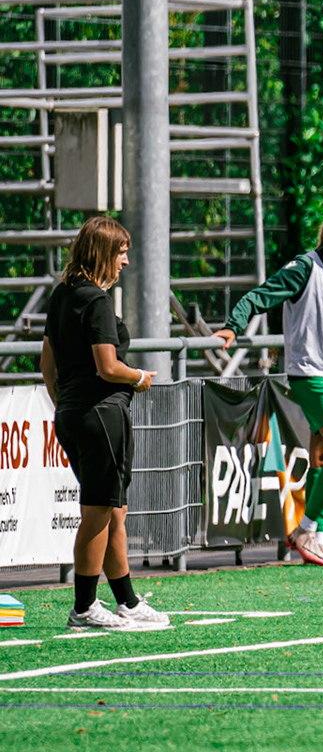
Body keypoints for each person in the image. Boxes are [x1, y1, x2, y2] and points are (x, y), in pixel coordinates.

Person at [40, 216, 169, 631]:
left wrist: (68, 405)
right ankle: (84, 607)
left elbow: (47, 364)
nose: (126, 262)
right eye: (121, 253)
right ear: (103, 254)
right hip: (102, 413)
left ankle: (127, 601)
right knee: (98, 511)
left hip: (73, 413)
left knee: (113, 511)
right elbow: (108, 365)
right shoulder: (96, 300)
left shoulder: (62, 295)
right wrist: (139, 377)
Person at [216, 207, 323, 567]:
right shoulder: (304, 268)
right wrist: (233, 325)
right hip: (311, 375)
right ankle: (305, 529)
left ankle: (318, 538)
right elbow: (258, 296)